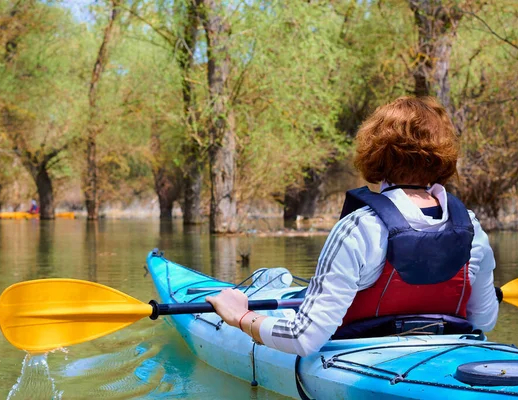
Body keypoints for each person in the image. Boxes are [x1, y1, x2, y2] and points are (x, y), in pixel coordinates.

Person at [206, 96, 499, 357]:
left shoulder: (360, 227)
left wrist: (241, 316)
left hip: (364, 360)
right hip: (448, 354)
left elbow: (303, 339)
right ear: (442, 158)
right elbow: (484, 322)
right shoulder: (472, 230)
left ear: (376, 154)